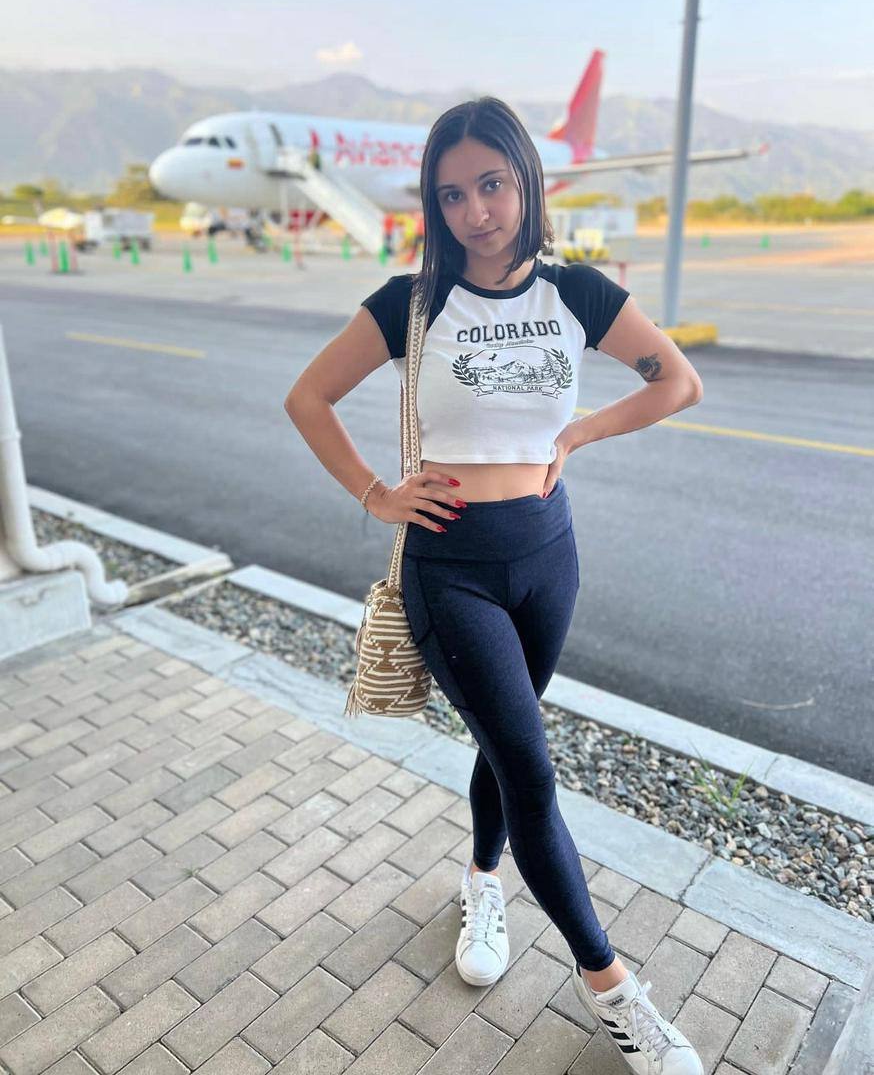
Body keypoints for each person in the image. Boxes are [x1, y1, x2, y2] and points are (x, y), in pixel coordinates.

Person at [283, 96, 704, 1075]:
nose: (476, 211)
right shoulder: (410, 302)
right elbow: (308, 398)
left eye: (493, 184)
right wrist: (376, 494)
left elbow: (676, 381)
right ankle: (615, 992)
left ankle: (482, 877)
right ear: (433, 204)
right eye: (452, 194)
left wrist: (579, 432)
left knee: (504, 744)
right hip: (451, 567)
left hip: (548, 554)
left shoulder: (578, 293)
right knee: (531, 769)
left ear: (526, 182)